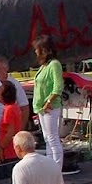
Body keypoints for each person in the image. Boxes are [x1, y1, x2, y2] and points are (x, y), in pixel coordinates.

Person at [32, 36, 66, 169]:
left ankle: (57, 167)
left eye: (37, 49)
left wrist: (48, 102)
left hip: (49, 107)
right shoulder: (44, 66)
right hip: (41, 108)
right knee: (47, 139)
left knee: (52, 138)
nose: (35, 51)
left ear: (44, 50)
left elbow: (58, 86)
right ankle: (50, 166)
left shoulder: (54, 65)